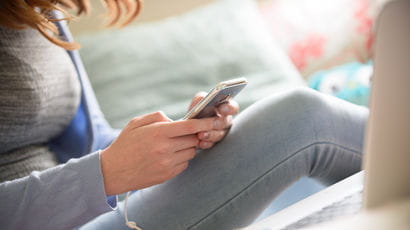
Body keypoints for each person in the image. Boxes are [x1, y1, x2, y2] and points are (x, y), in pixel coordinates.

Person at [0, 0, 369, 229]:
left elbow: (87, 140)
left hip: (89, 210)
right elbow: (97, 170)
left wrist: (177, 136)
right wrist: (105, 173)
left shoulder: (37, 12)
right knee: (304, 119)